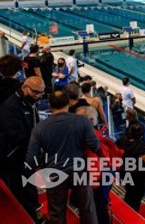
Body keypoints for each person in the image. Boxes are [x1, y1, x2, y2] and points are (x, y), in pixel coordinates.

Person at [26, 90, 101, 224]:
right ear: (68, 103)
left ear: (49, 105)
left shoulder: (40, 127)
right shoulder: (82, 121)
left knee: (57, 212)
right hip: (78, 171)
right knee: (87, 209)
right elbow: (95, 146)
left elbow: (31, 158)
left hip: (54, 173)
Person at [0, 76, 43, 219]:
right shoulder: (11, 107)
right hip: (14, 157)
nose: (38, 96)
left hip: (25, 155)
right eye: (35, 92)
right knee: (22, 191)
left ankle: (31, 214)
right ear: (24, 87)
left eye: (41, 93)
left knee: (28, 189)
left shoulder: (29, 103)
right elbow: (17, 137)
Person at [76, 107, 123, 224]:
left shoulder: (94, 139)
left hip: (97, 182)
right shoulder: (89, 135)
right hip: (98, 180)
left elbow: (97, 165)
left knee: (98, 209)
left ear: (91, 121)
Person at [116, 122, 145, 211]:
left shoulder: (122, 140)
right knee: (136, 197)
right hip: (137, 177)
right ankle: (132, 214)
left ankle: (128, 206)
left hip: (124, 172)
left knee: (129, 191)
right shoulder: (141, 147)